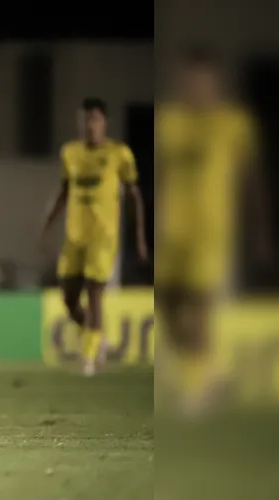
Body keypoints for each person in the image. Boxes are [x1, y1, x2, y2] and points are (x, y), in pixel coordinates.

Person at [155, 48, 271, 415]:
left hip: (211, 232)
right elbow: (159, 175)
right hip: (173, 232)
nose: (197, 88)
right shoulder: (169, 122)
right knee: (167, 302)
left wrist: (260, 232)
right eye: (191, 81)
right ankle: (211, 371)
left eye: (204, 82)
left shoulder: (234, 124)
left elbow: (252, 181)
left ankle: (197, 387)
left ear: (216, 84)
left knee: (200, 306)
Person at [41, 97, 148, 377]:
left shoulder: (119, 154)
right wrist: (47, 223)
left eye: (95, 120)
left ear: (104, 122)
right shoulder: (70, 153)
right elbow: (64, 191)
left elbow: (134, 195)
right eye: (85, 120)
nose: (90, 125)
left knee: (95, 294)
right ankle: (97, 337)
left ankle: (89, 358)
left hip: (104, 237)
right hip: (75, 237)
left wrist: (139, 237)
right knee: (69, 299)